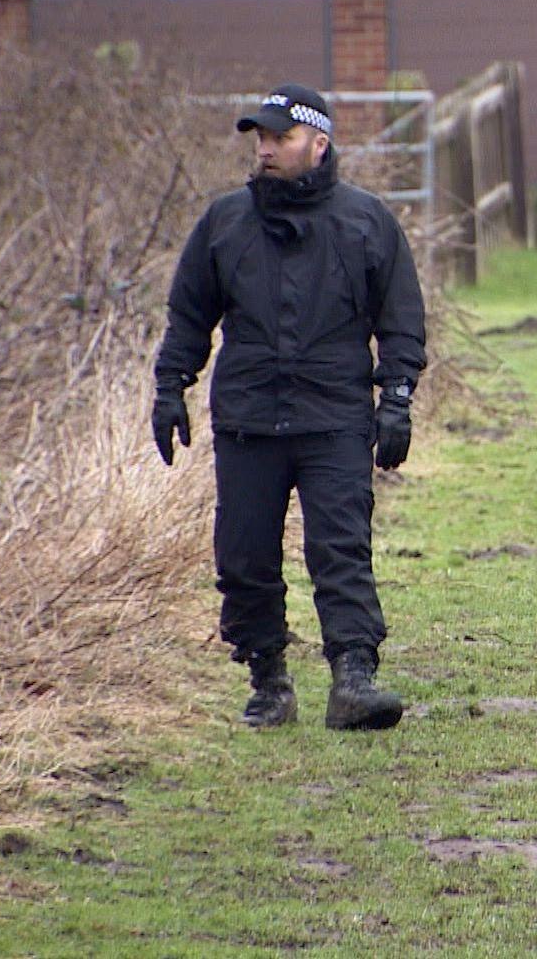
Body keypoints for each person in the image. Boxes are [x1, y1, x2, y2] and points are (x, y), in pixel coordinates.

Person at [153, 83, 427, 732]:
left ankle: (353, 678)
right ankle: (268, 681)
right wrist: (171, 385)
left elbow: (402, 317)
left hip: (335, 415)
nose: (267, 149)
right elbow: (189, 313)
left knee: (341, 548)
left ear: (319, 143)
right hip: (250, 415)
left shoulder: (366, 221)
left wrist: (397, 397)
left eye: (281, 137)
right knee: (243, 554)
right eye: (261, 139)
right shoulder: (225, 222)